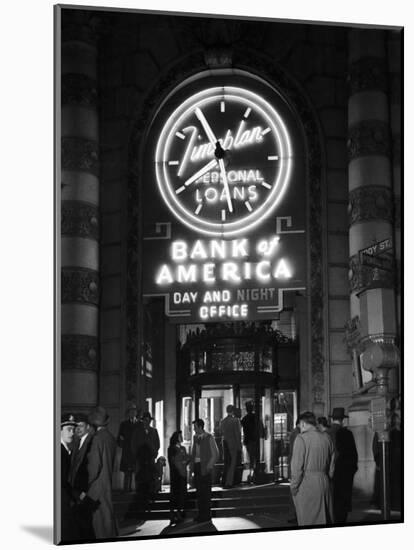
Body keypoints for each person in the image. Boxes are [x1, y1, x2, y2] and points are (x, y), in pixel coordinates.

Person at [290, 411, 335, 526]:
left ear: (303, 423)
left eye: (300, 425)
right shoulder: (327, 437)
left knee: (309, 520)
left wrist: (294, 487)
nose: (299, 428)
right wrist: (327, 478)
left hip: (307, 484)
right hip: (324, 481)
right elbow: (332, 465)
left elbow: (297, 468)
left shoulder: (301, 439)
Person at [85, 406, 118, 539]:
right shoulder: (109, 437)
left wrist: (83, 483)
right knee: (107, 520)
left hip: (95, 489)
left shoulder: (97, 438)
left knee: (98, 526)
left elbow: (93, 468)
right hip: (106, 483)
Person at [328, 407, 358, 524]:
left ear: (332, 419)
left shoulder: (327, 433)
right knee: (343, 501)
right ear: (342, 420)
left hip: (330, 471)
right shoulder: (347, 433)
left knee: (332, 499)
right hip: (344, 471)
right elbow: (354, 456)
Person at [68, 413, 95, 540]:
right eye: (76, 427)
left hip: (84, 493)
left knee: (85, 527)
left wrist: (84, 492)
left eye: (81, 426)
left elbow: (91, 469)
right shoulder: (76, 442)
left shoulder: (91, 442)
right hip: (76, 492)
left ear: (88, 427)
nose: (78, 429)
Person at [131, 411, 160, 512]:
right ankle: (141, 500)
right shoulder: (137, 431)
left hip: (150, 459)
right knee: (141, 479)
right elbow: (133, 444)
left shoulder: (154, 431)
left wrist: (154, 452)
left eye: (148, 420)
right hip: (140, 460)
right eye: (145, 420)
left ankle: (150, 499)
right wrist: (137, 456)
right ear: (142, 421)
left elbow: (157, 444)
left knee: (150, 478)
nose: (147, 422)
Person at [191, 418, 219, 523]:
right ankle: (201, 514)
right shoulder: (195, 437)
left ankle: (206, 515)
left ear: (200, 427)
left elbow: (215, 454)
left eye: (195, 427)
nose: (194, 429)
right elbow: (194, 452)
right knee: (199, 493)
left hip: (205, 467)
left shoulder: (209, 437)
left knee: (205, 492)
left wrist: (209, 466)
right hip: (198, 466)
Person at [60, 413, 78, 542]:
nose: (72, 433)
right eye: (68, 430)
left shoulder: (65, 450)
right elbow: (62, 481)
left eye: (73, 430)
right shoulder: (60, 451)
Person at [168, 431, 190, 525]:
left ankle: (180, 511)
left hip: (183, 473)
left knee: (182, 493)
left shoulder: (183, 448)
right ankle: (174, 513)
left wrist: (185, 462)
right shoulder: (171, 448)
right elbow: (172, 462)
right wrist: (180, 464)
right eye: (180, 436)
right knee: (175, 493)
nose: (181, 437)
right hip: (176, 474)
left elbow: (187, 458)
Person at [117, 405, 140, 492]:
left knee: (138, 473)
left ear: (136, 413)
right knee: (127, 473)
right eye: (131, 411)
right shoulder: (124, 424)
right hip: (127, 452)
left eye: (134, 411)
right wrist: (123, 442)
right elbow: (119, 438)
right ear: (128, 413)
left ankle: (138, 491)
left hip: (137, 453)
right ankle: (126, 490)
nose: (132, 413)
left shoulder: (140, 424)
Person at [241, 401, 264, 483]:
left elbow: (244, 431)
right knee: (255, 458)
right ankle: (254, 475)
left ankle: (251, 475)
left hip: (248, 441)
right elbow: (261, 429)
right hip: (255, 440)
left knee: (250, 458)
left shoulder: (244, 419)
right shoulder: (256, 418)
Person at [220, 404, 242, 488]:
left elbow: (221, 432)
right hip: (233, 444)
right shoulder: (235, 420)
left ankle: (224, 480)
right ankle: (229, 482)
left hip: (225, 442)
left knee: (226, 462)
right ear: (232, 411)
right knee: (232, 463)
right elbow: (237, 434)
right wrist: (239, 445)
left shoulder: (223, 421)